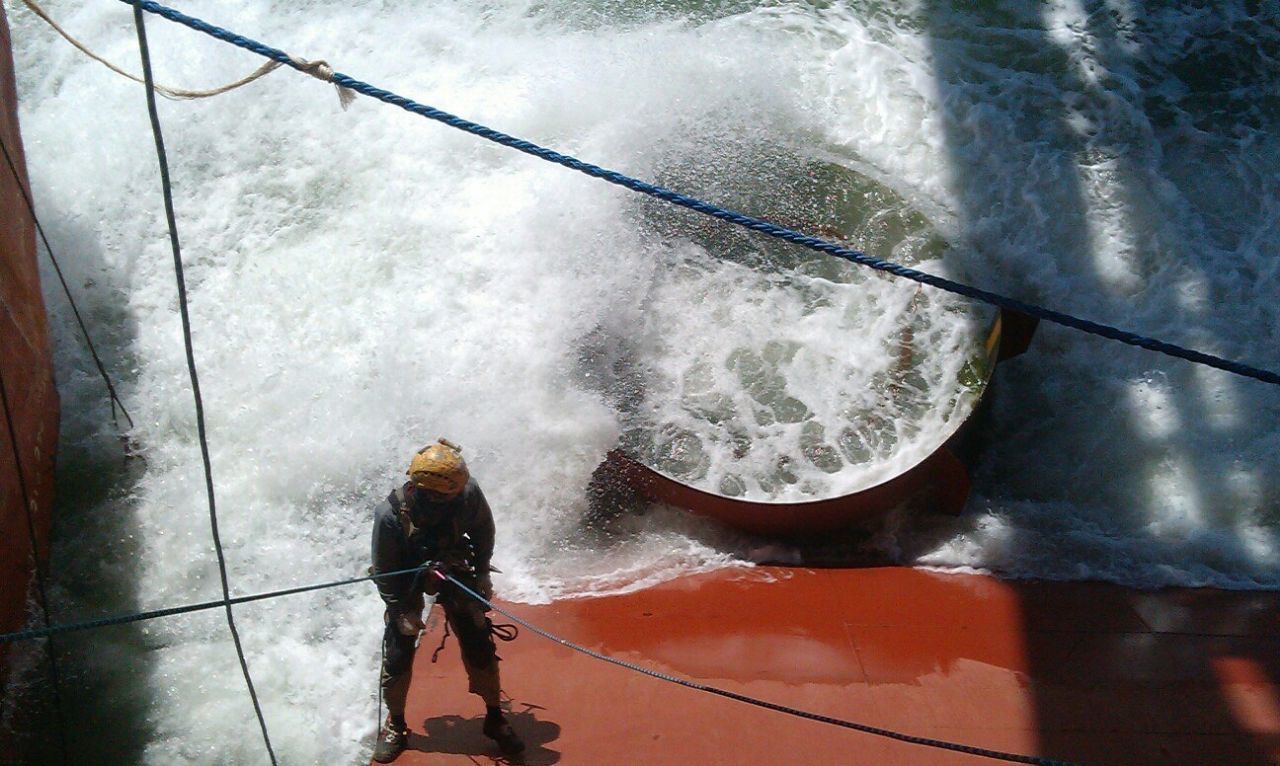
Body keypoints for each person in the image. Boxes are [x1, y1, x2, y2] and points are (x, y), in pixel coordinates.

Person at [371, 439, 525, 763]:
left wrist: (482, 572)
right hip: (406, 575)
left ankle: (495, 717)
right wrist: (400, 611)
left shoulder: (467, 493)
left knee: (478, 638)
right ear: (426, 493)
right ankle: (396, 725)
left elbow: (484, 531)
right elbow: (385, 571)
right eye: (448, 497)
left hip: (452, 563)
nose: (457, 499)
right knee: (399, 650)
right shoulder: (389, 516)